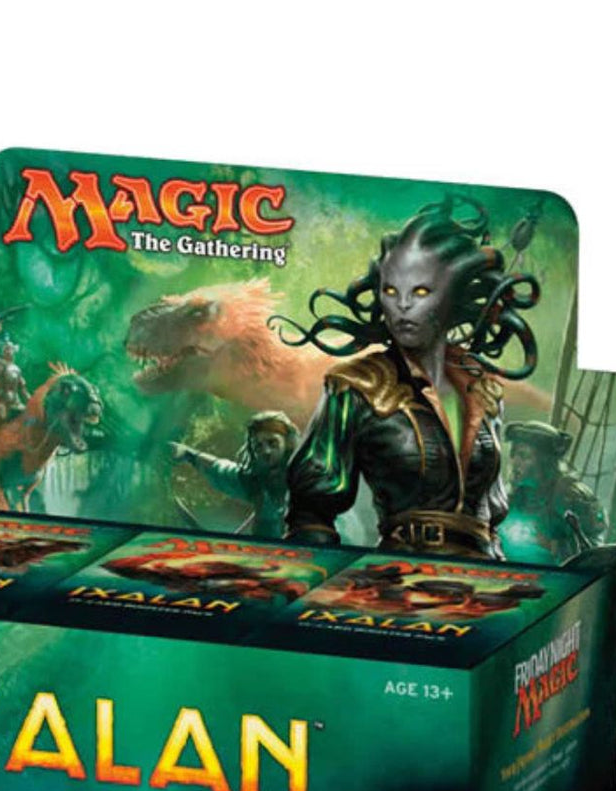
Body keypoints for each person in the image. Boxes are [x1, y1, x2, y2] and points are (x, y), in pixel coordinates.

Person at [272, 197, 539, 559]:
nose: (402, 306)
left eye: (421, 291)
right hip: (400, 572)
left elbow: (491, 518)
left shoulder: (484, 389)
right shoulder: (356, 386)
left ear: (454, 294)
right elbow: (310, 517)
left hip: (482, 575)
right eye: (390, 290)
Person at [170, 411, 299, 538]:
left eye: (273, 443)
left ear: (287, 443)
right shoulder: (256, 481)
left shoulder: (303, 478)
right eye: (258, 446)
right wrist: (189, 454)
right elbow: (221, 470)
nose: (266, 451)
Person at [501, 421, 607, 563]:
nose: (515, 462)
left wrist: (551, 545)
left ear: (545, 461)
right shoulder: (514, 495)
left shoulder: (572, 497)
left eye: (524, 456)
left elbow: (594, 552)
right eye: (514, 455)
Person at [0, 317, 30, 420]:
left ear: (14, 351)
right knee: (2, 420)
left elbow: (24, 391)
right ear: (3, 352)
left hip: (16, 403)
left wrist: (33, 403)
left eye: (10, 349)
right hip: (1, 403)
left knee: (29, 420)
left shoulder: (17, 369)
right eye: (6, 349)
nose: (8, 351)